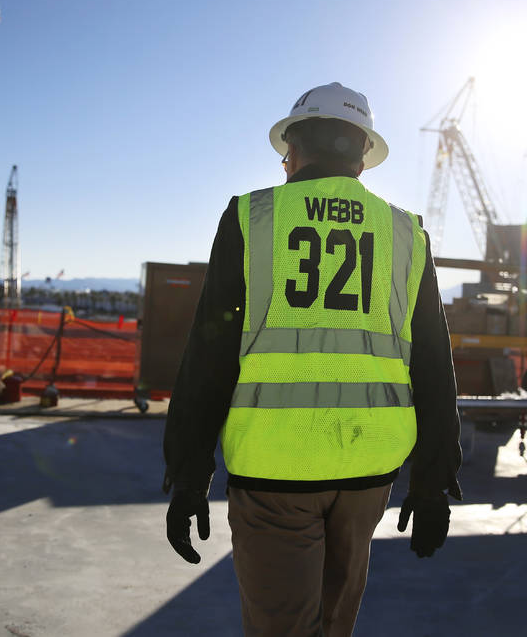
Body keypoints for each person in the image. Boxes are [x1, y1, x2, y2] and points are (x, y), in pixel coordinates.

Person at [163, 82, 462, 636]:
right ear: (362, 158)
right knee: (334, 627)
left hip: (273, 470)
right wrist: (432, 481)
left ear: (294, 150)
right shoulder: (405, 233)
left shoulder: (252, 217)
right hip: (368, 472)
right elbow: (433, 366)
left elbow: (209, 353)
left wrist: (187, 473)